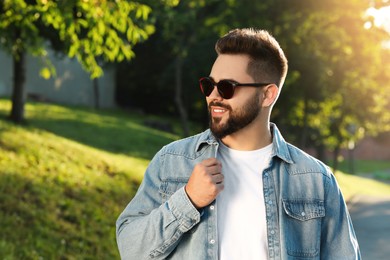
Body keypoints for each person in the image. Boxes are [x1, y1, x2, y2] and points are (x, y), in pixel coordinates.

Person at [116, 28, 361, 260]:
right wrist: (188, 200)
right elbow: (130, 249)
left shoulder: (315, 179)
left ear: (267, 95)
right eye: (209, 85)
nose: (214, 96)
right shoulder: (172, 161)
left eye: (227, 87)